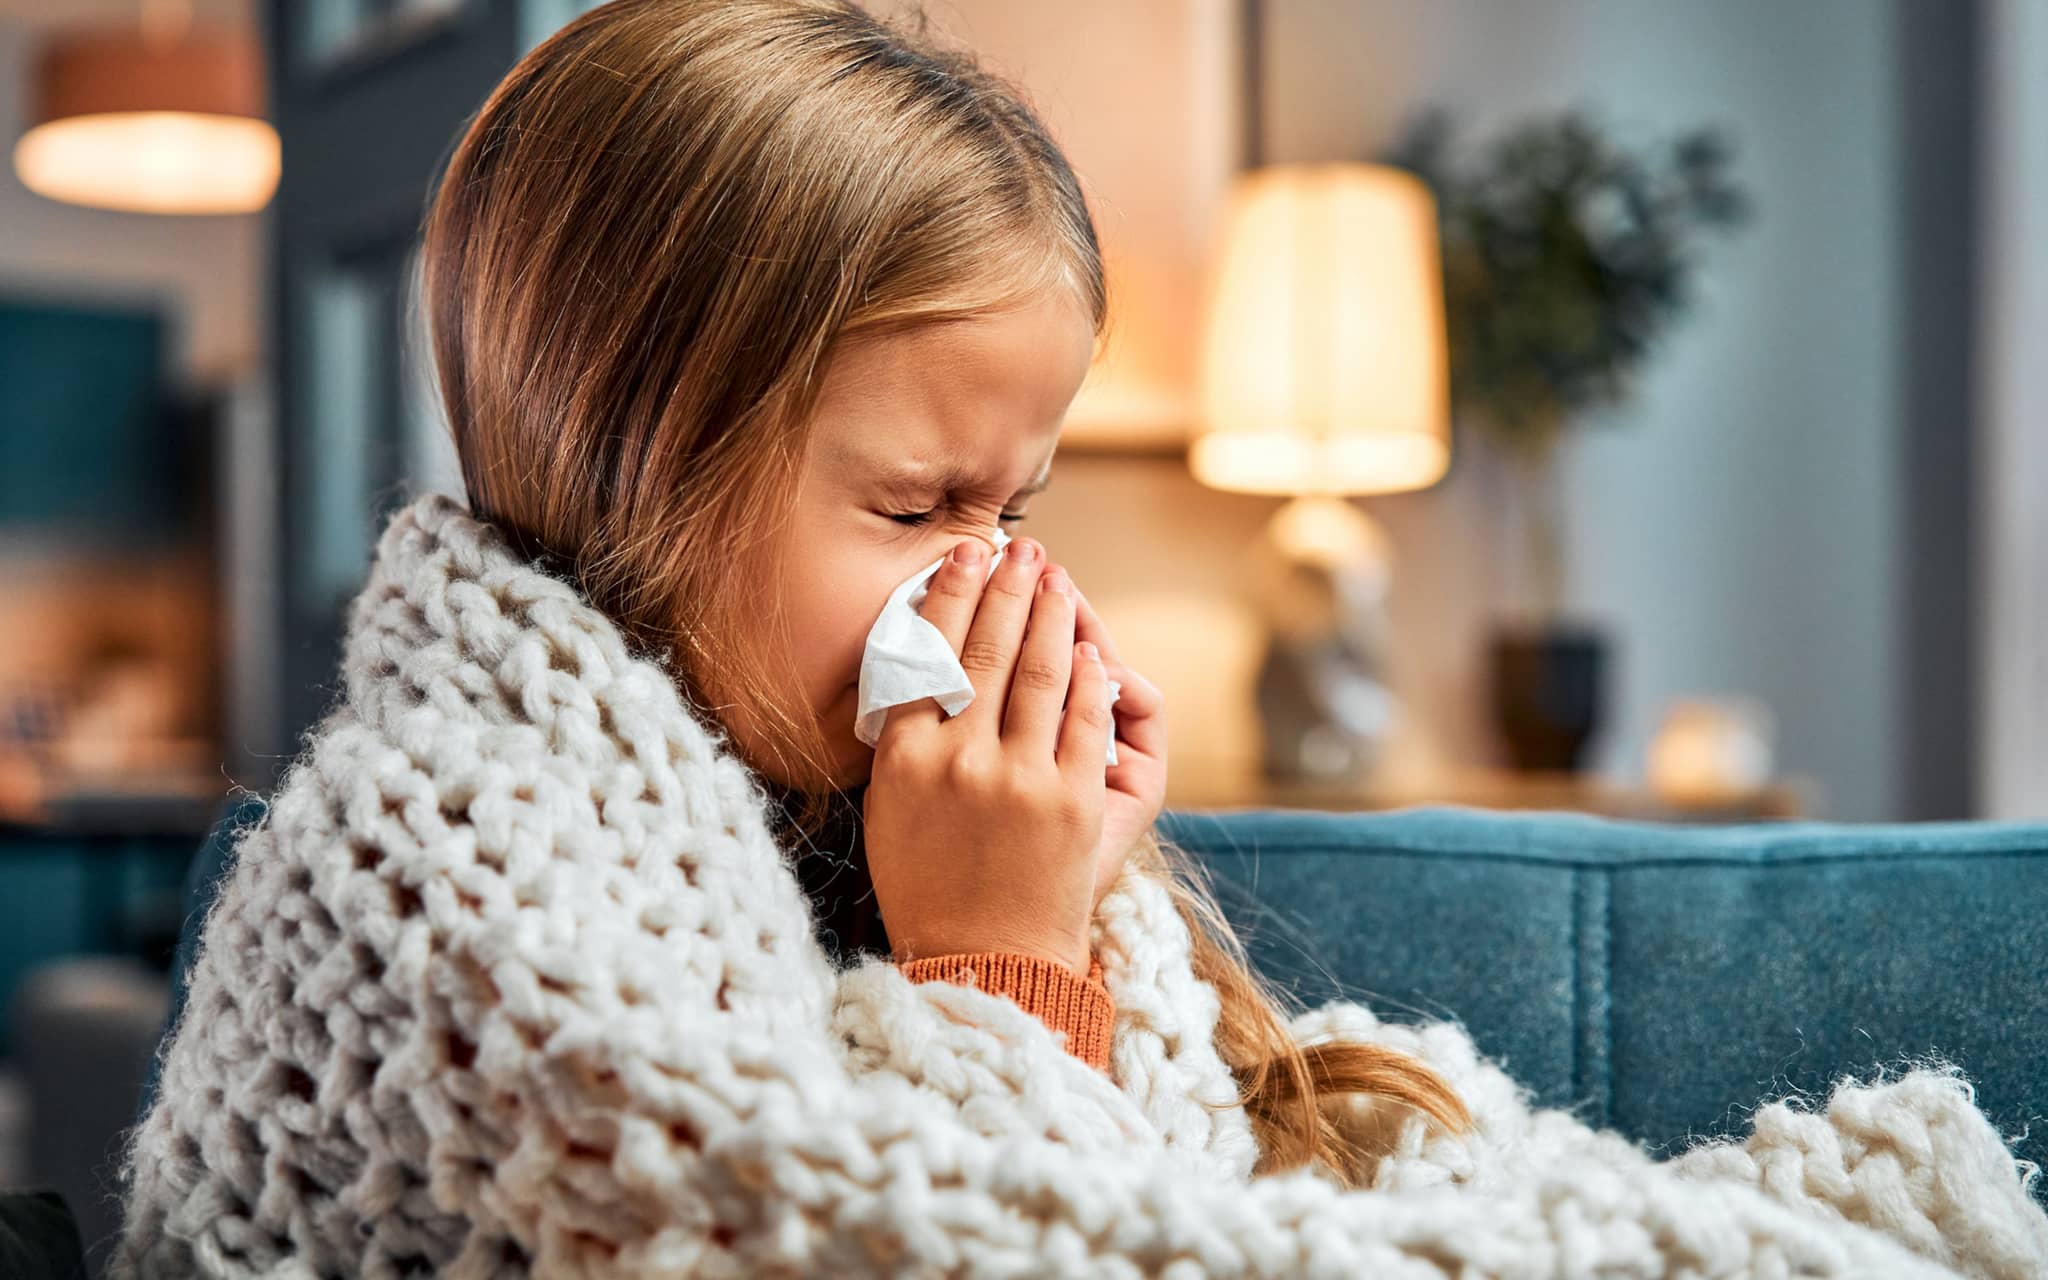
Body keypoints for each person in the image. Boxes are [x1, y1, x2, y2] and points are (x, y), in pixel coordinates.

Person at [111, 2, 2047, 1275]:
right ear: (637, 468)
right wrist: (1001, 969)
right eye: (913, 511)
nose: (985, 586)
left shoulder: (819, 800)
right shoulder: (439, 866)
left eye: (1012, 510)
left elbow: (1192, 1169)